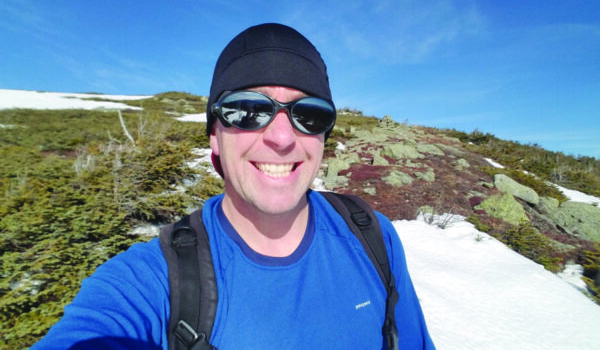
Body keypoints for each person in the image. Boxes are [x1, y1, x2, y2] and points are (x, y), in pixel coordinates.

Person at [33, 23, 435, 349]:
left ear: (324, 137)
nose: (282, 138)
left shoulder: (372, 234)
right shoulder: (151, 283)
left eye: (309, 114)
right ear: (214, 136)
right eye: (248, 110)